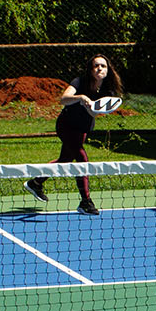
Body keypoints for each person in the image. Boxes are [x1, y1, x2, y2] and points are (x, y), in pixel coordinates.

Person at [26, 54, 123, 215]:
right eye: (96, 66)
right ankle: (86, 201)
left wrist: (92, 109)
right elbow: (64, 99)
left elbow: (95, 112)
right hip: (66, 125)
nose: (99, 68)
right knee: (82, 159)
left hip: (83, 128)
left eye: (103, 66)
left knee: (65, 160)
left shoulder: (108, 90)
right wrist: (80, 98)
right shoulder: (79, 82)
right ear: (90, 69)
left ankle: (36, 182)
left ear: (108, 70)